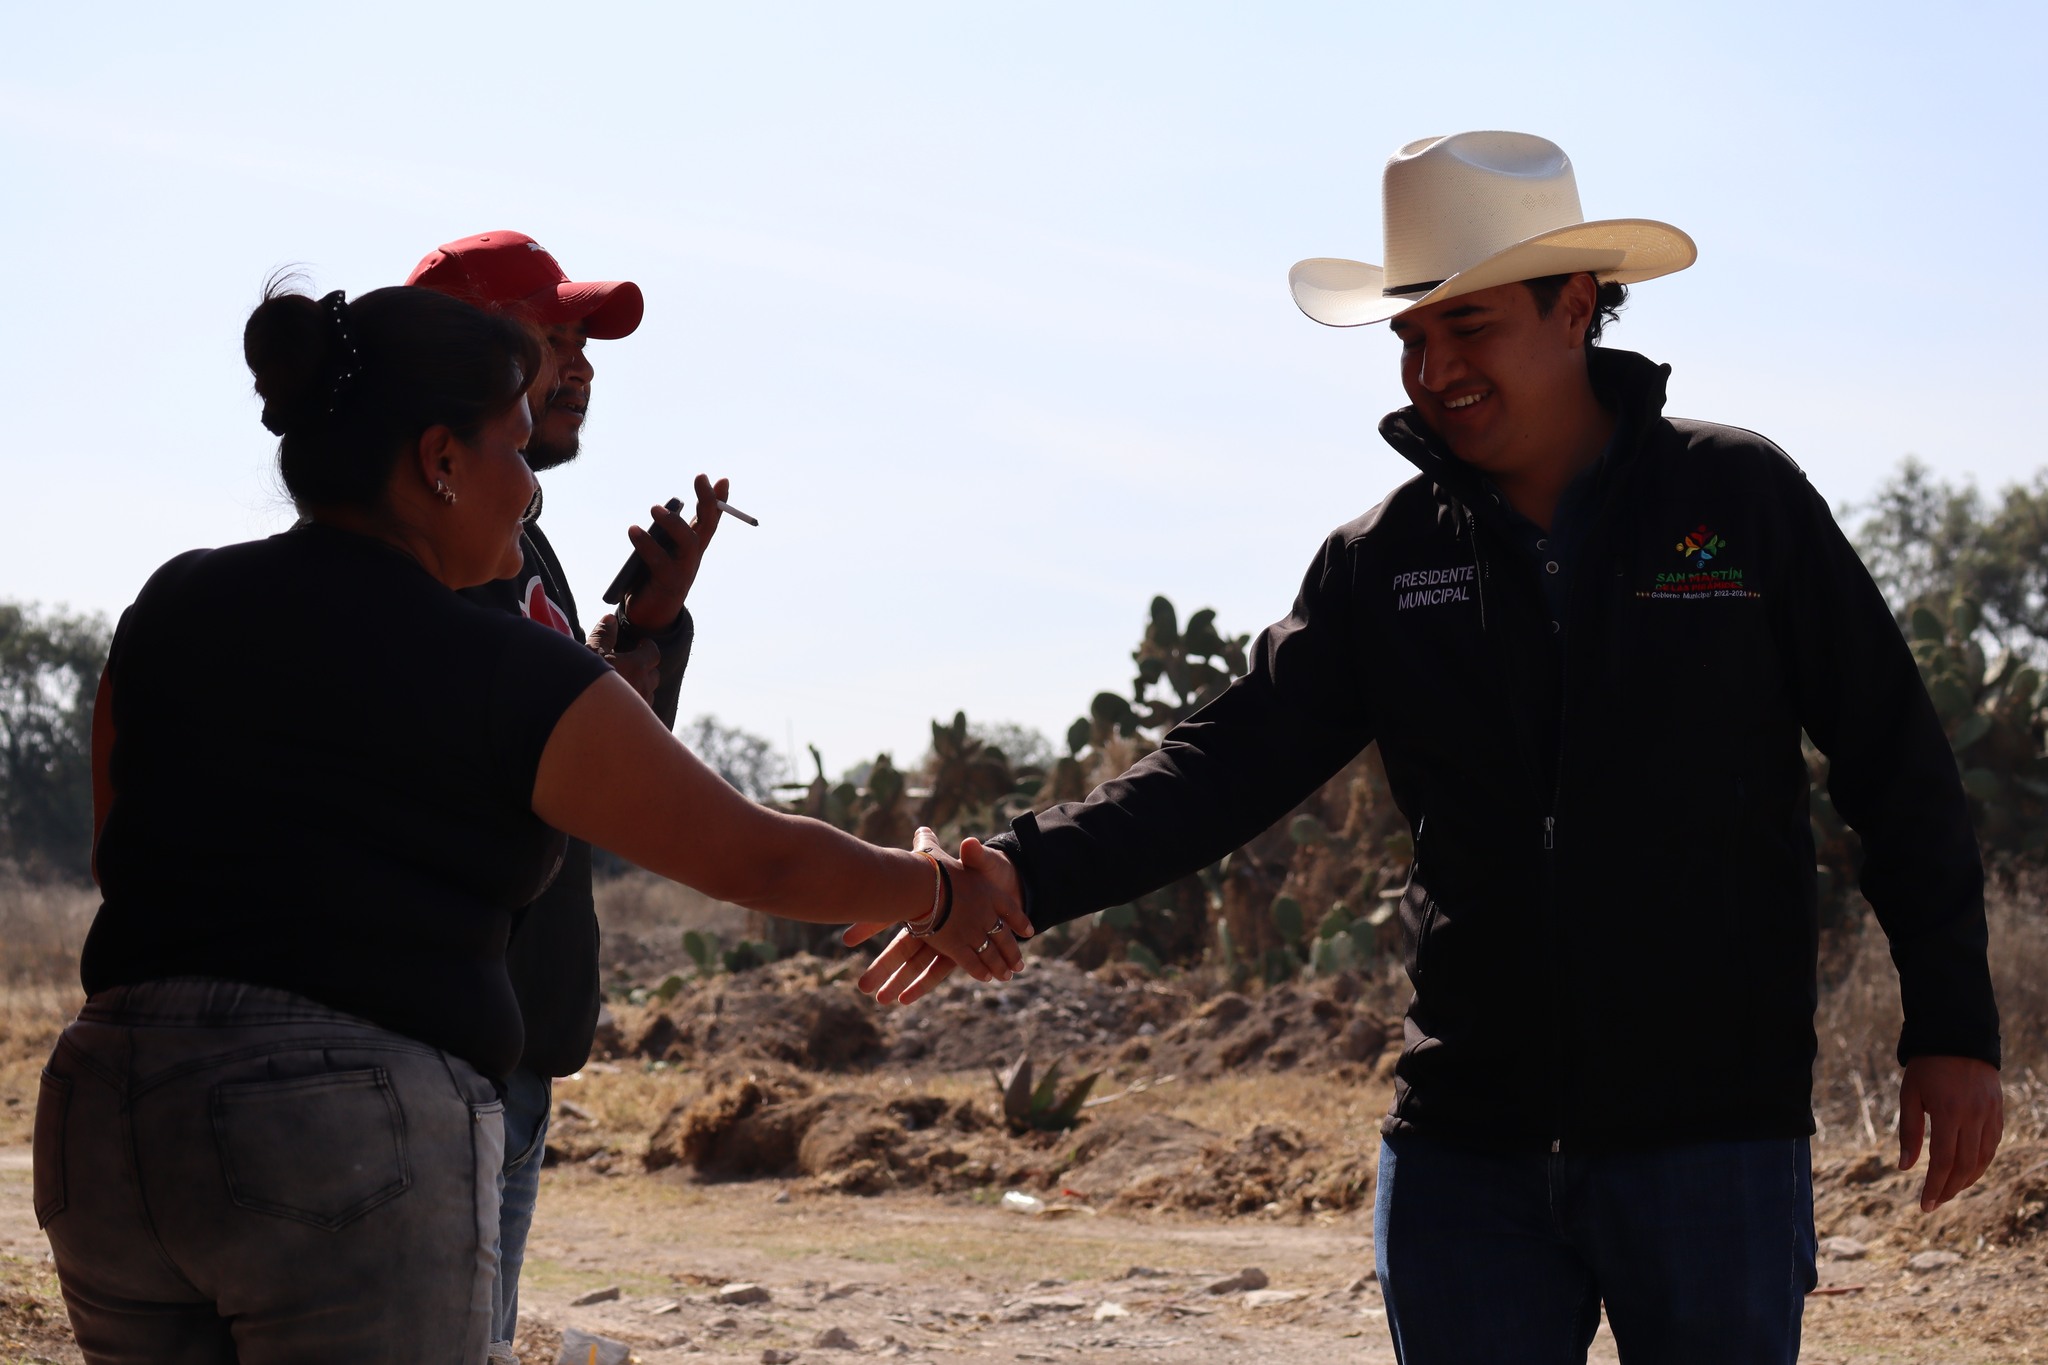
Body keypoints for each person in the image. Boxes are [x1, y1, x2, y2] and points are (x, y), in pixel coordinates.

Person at [854, 131, 2004, 1363]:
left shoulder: (1736, 500)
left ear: (1575, 309)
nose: (1430, 367)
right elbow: (1223, 762)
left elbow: (1895, 765)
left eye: (1468, 328)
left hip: (1710, 1137)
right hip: (1468, 1150)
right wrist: (1013, 874)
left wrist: (1950, 1025)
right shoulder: (1385, 559)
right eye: (1410, 335)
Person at [36, 280, 1029, 1364]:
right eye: (513, 449)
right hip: (337, 1132)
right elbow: (750, 852)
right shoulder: (506, 669)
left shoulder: (171, 604)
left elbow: (114, 855)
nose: (531, 493)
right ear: (440, 461)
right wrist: (934, 887)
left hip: (107, 1117)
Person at [405, 229, 714, 1362]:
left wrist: (646, 630)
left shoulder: (518, 539)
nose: (580, 366)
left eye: (582, 342)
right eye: (550, 338)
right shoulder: (432, 543)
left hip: (509, 1035)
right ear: (456, 358)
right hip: (442, 1045)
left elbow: (594, 768)